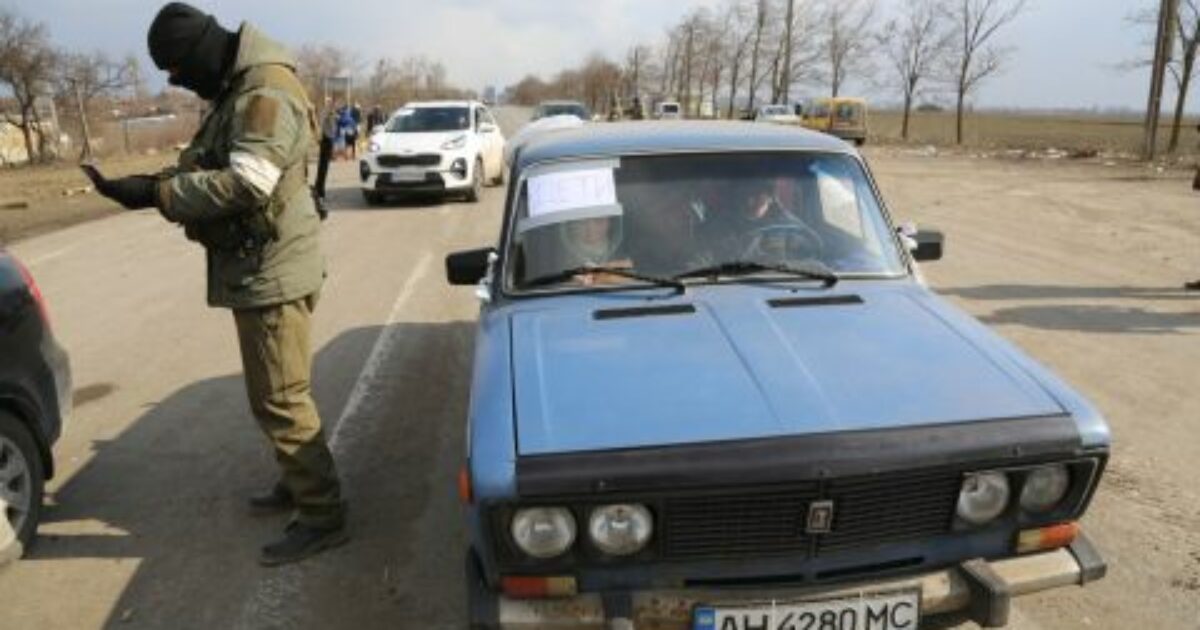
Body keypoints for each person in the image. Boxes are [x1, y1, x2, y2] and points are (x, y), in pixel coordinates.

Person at [88, 2, 346, 566]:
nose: (178, 82)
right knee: (280, 390)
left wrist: (157, 194)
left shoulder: (262, 92)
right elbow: (215, 160)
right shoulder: (241, 85)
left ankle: (322, 514)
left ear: (201, 53)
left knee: (280, 397)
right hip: (267, 263)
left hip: (272, 271)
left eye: (179, 70)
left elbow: (248, 183)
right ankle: (298, 480)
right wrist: (153, 184)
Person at [314, 98, 338, 201]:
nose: (333, 105)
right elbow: (331, 128)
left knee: (322, 167)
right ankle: (320, 192)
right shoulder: (328, 112)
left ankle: (318, 190)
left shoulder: (325, 112)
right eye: (331, 103)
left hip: (325, 139)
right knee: (323, 167)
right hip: (327, 140)